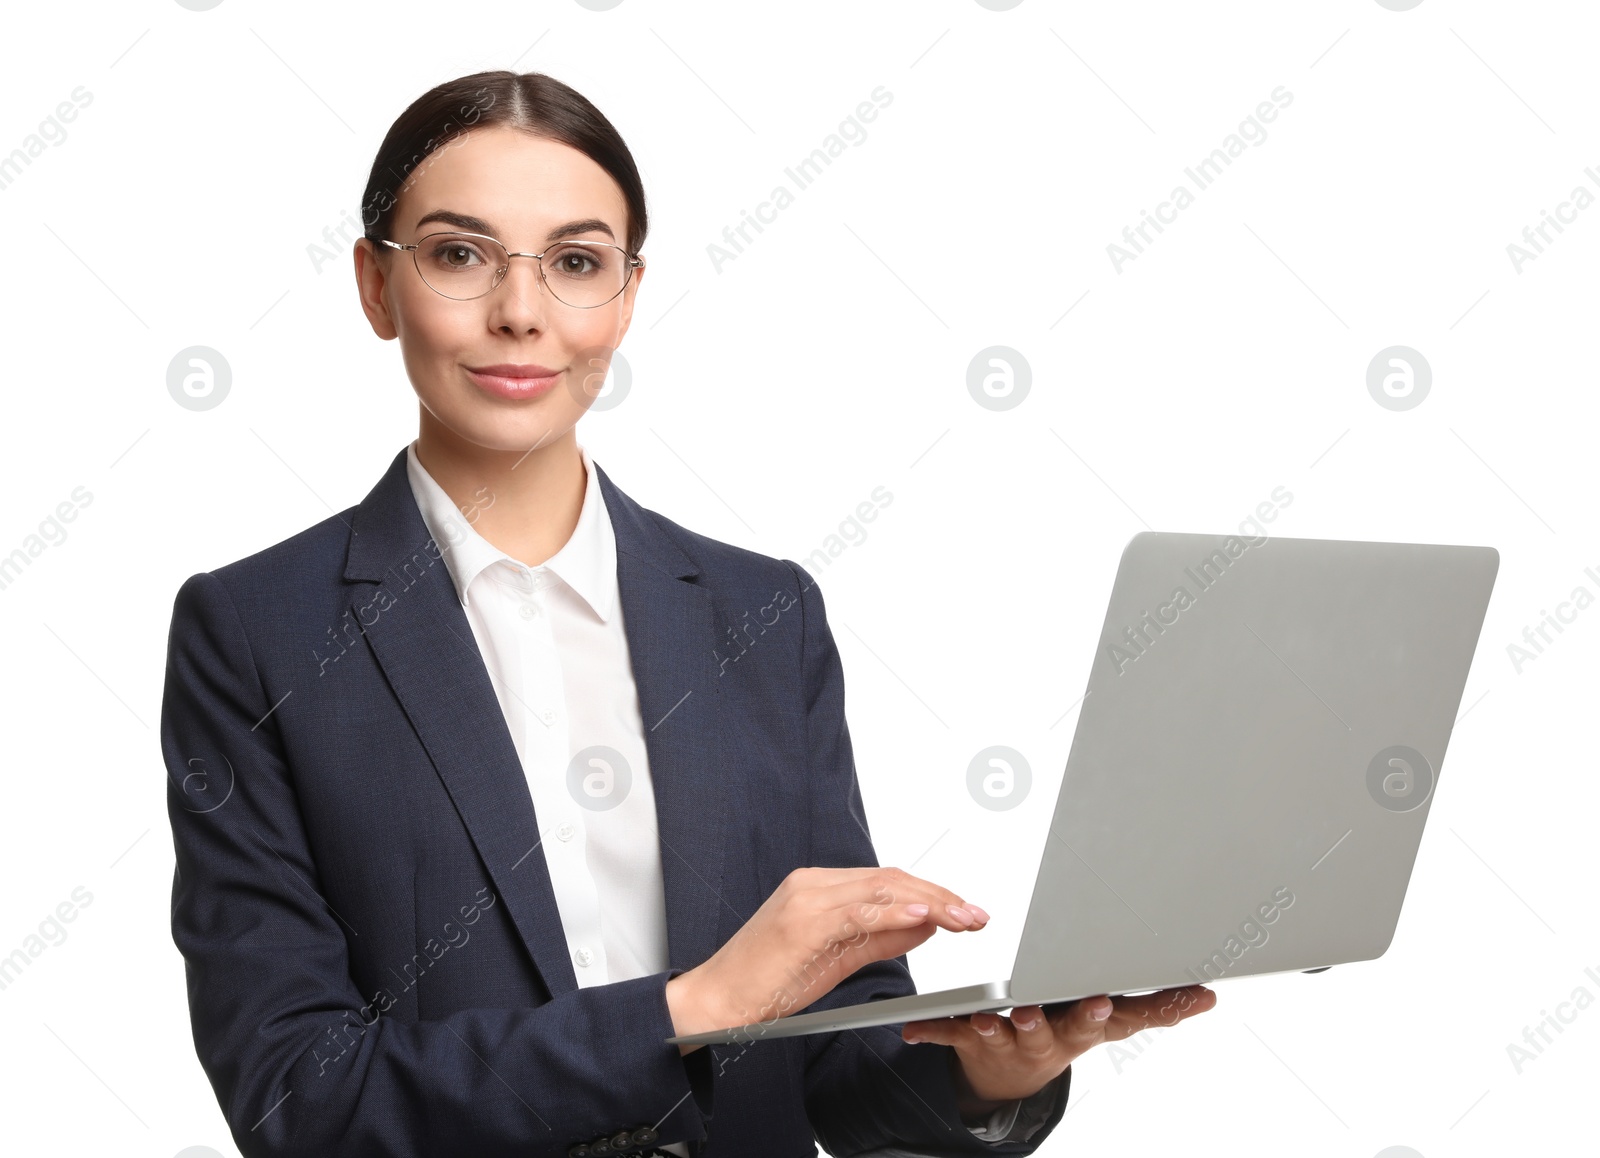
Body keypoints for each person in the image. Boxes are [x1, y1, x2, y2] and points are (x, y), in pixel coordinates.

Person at [159, 70, 1215, 1158]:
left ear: (625, 295)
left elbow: (833, 1074)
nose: (521, 312)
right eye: (459, 254)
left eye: (574, 263)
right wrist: (691, 1007)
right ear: (377, 288)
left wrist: (984, 1077)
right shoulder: (255, 633)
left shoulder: (764, 616)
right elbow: (296, 1096)